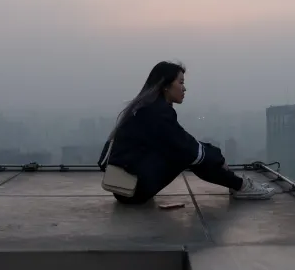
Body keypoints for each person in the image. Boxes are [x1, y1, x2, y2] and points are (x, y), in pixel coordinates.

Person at [98, 61, 276, 204]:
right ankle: (241, 186)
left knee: (189, 151)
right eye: (181, 83)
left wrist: (211, 154)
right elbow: (185, 146)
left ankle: (238, 185)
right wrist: (217, 157)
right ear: (165, 86)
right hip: (135, 189)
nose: (184, 89)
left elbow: (181, 140)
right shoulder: (157, 111)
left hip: (125, 187)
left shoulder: (145, 107)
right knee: (188, 154)